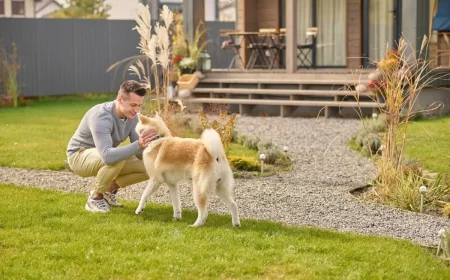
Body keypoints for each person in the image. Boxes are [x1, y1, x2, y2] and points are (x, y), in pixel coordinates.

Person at [66, 80, 157, 213]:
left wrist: (151, 142)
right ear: (120, 99)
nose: (137, 110)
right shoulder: (101, 116)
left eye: (139, 105)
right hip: (79, 156)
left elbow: (139, 155)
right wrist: (138, 144)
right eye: (133, 105)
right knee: (116, 158)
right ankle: (95, 199)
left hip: (104, 155)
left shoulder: (133, 117)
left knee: (151, 166)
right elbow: (108, 157)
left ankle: (108, 192)